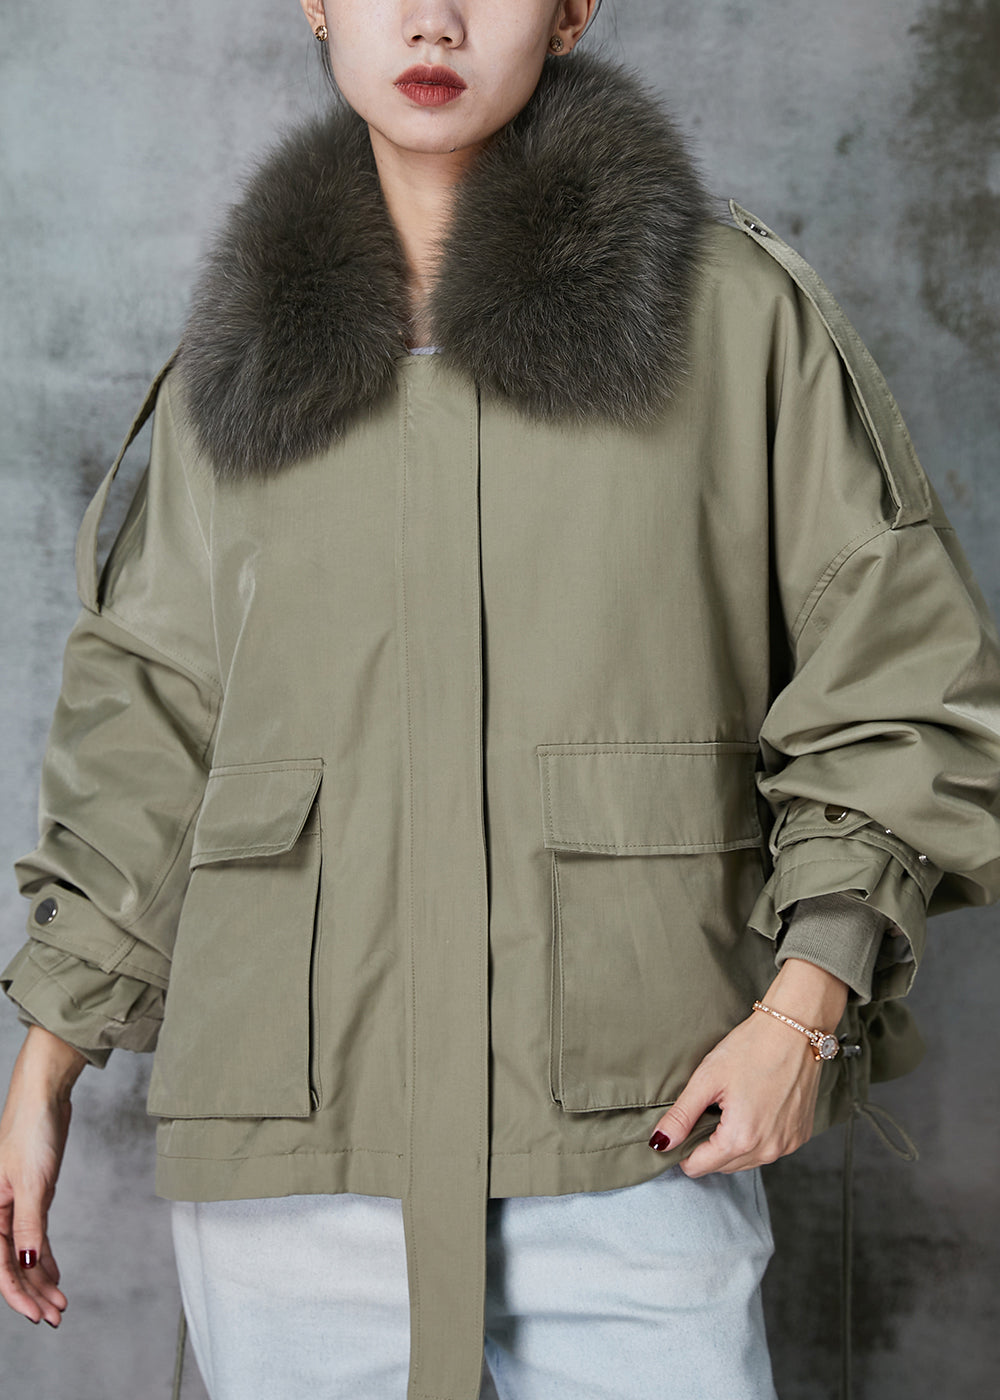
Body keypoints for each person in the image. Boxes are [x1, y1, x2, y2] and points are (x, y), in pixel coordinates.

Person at [1, 3, 999, 1398]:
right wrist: (46, 1060)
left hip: (637, 1130)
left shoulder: (731, 315)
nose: (434, 19)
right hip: (293, 1157)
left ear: (573, 7)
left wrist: (803, 1007)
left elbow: (897, 677)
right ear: (317, 3)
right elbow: (150, 728)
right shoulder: (238, 359)